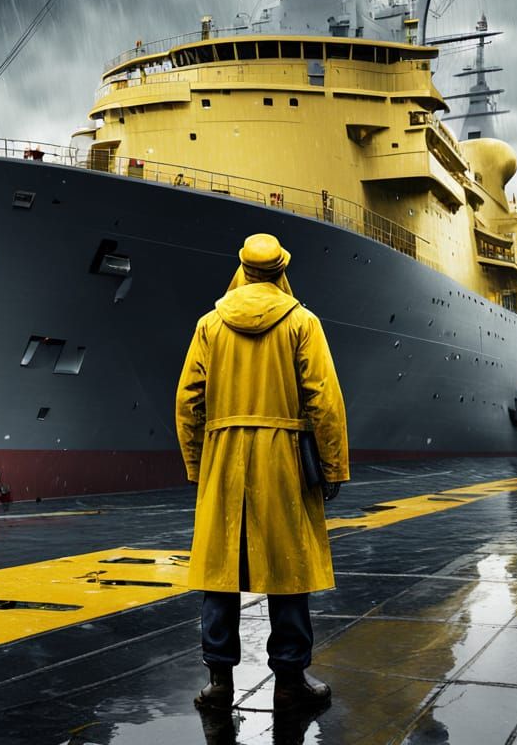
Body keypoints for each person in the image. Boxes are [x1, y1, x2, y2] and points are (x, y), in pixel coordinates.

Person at [175, 232, 349, 713]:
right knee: (288, 571)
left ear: (243, 269)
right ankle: (291, 680)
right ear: (280, 270)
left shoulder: (210, 324)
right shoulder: (303, 323)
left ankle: (218, 683)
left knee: (219, 571)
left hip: (224, 454)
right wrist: (332, 466)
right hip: (284, 457)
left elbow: (188, 399)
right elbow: (324, 400)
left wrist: (197, 463)